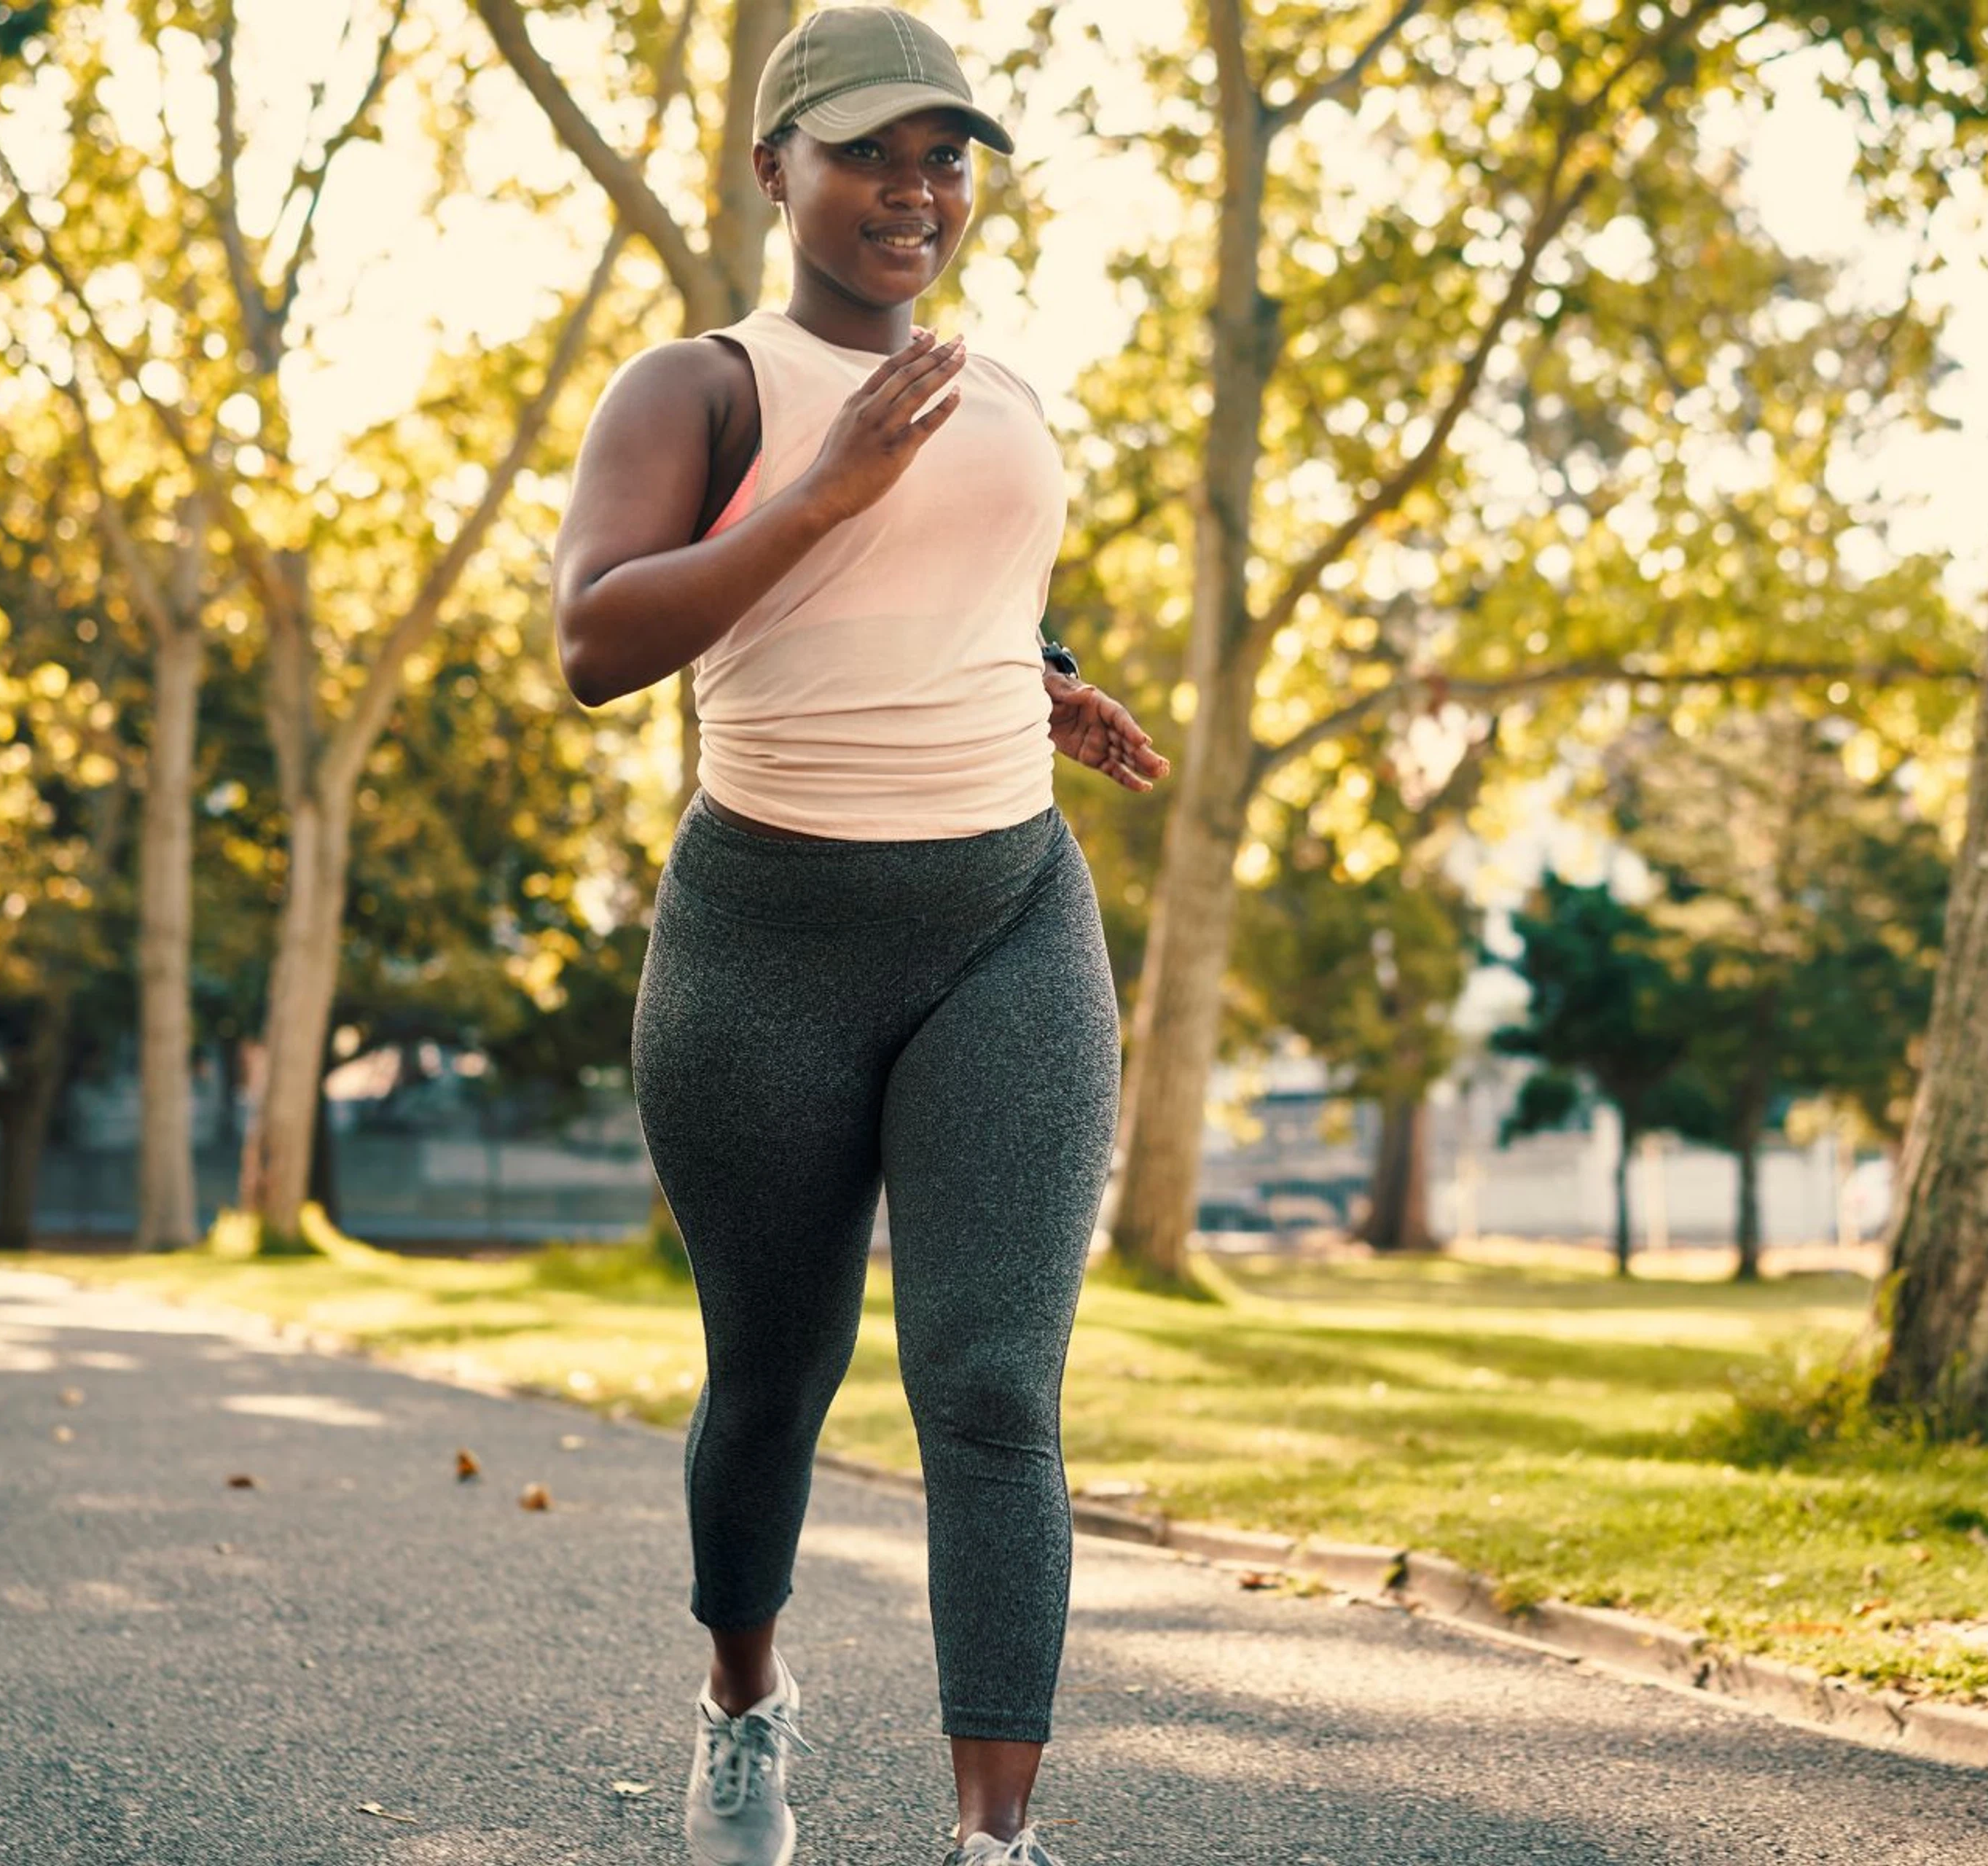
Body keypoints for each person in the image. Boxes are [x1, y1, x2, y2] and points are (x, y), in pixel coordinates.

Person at [550, 8, 1170, 1862]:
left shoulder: (1005, 395)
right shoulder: (697, 389)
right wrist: (821, 491)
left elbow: (965, 590)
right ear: (775, 171)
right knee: (773, 1377)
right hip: (765, 945)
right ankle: (745, 1705)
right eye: (870, 154)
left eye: (945, 158)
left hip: (1005, 913)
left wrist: (1043, 679)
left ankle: (996, 1843)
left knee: (992, 1382)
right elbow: (595, 642)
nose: (915, 192)